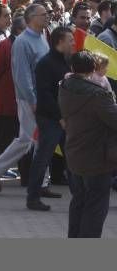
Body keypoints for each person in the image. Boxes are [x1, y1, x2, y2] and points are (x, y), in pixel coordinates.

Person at [0, 3, 49, 192]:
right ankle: (40, 183)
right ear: (31, 18)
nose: (47, 17)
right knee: (33, 139)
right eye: (43, 14)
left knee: (30, 140)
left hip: (41, 97)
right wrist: (32, 99)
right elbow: (21, 75)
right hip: (29, 99)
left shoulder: (42, 37)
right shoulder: (22, 42)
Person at [59, 51, 117, 237]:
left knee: (79, 201)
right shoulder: (98, 95)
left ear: (72, 68)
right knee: (95, 206)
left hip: (75, 152)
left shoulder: (65, 86)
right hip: (97, 157)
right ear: (93, 69)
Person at [27, 26, 72, 210]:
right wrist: (59, 117)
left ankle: (80, 196)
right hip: (50, 119)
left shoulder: (65, 62)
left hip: (63, 118)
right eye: (70, 40)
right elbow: (45, 95)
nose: (73, 43)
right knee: (43, 158)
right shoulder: (46, 63)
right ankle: (33, 198)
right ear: (60, 42)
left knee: (72, 158)